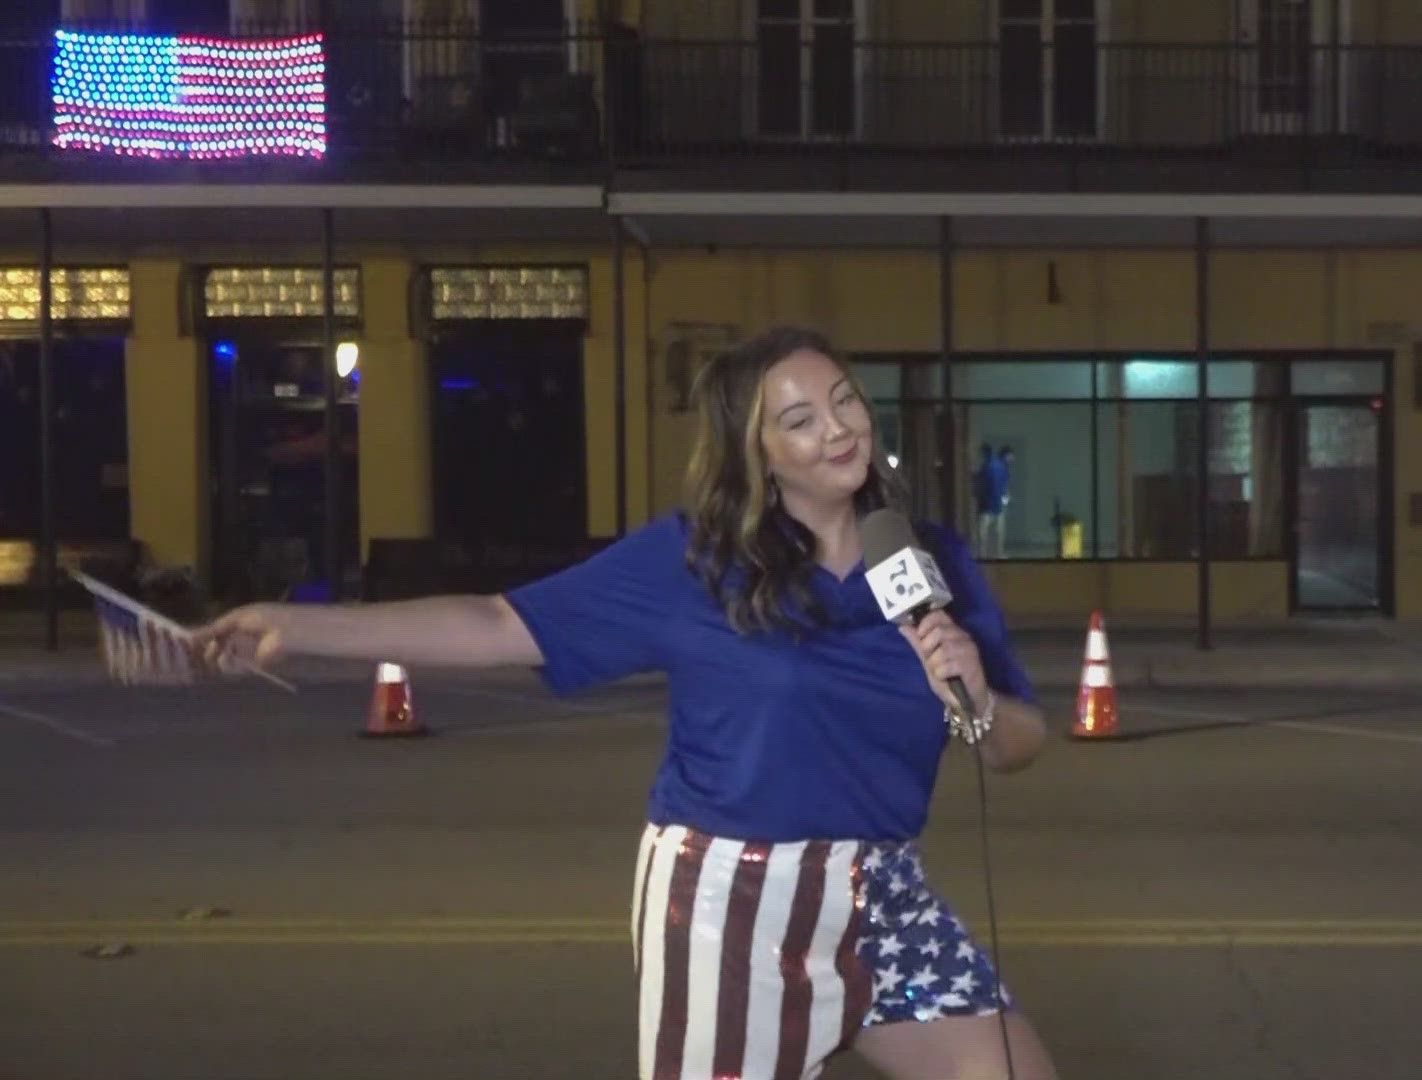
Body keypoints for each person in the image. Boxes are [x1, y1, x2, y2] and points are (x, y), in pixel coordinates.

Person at [192, 325, 1060, 1080]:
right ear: (756, 451)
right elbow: (498, 623)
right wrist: (299, 628)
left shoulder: (924, 560)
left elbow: (1016, 744)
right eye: (800, 420)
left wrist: (973, 693)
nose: (838, 429)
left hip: (883, 892)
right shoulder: (696, 561)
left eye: (844, 402)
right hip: (734, 906)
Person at [972, 443, 1009, 558]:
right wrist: (1004, 501)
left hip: (986, 505)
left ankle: (982, 555)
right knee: (999, 532)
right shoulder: (1001, 467)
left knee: (983, 532)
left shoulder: (986, 467)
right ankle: (999, 554)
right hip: (997, 505)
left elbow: (980, 484)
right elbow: (1004, 487)